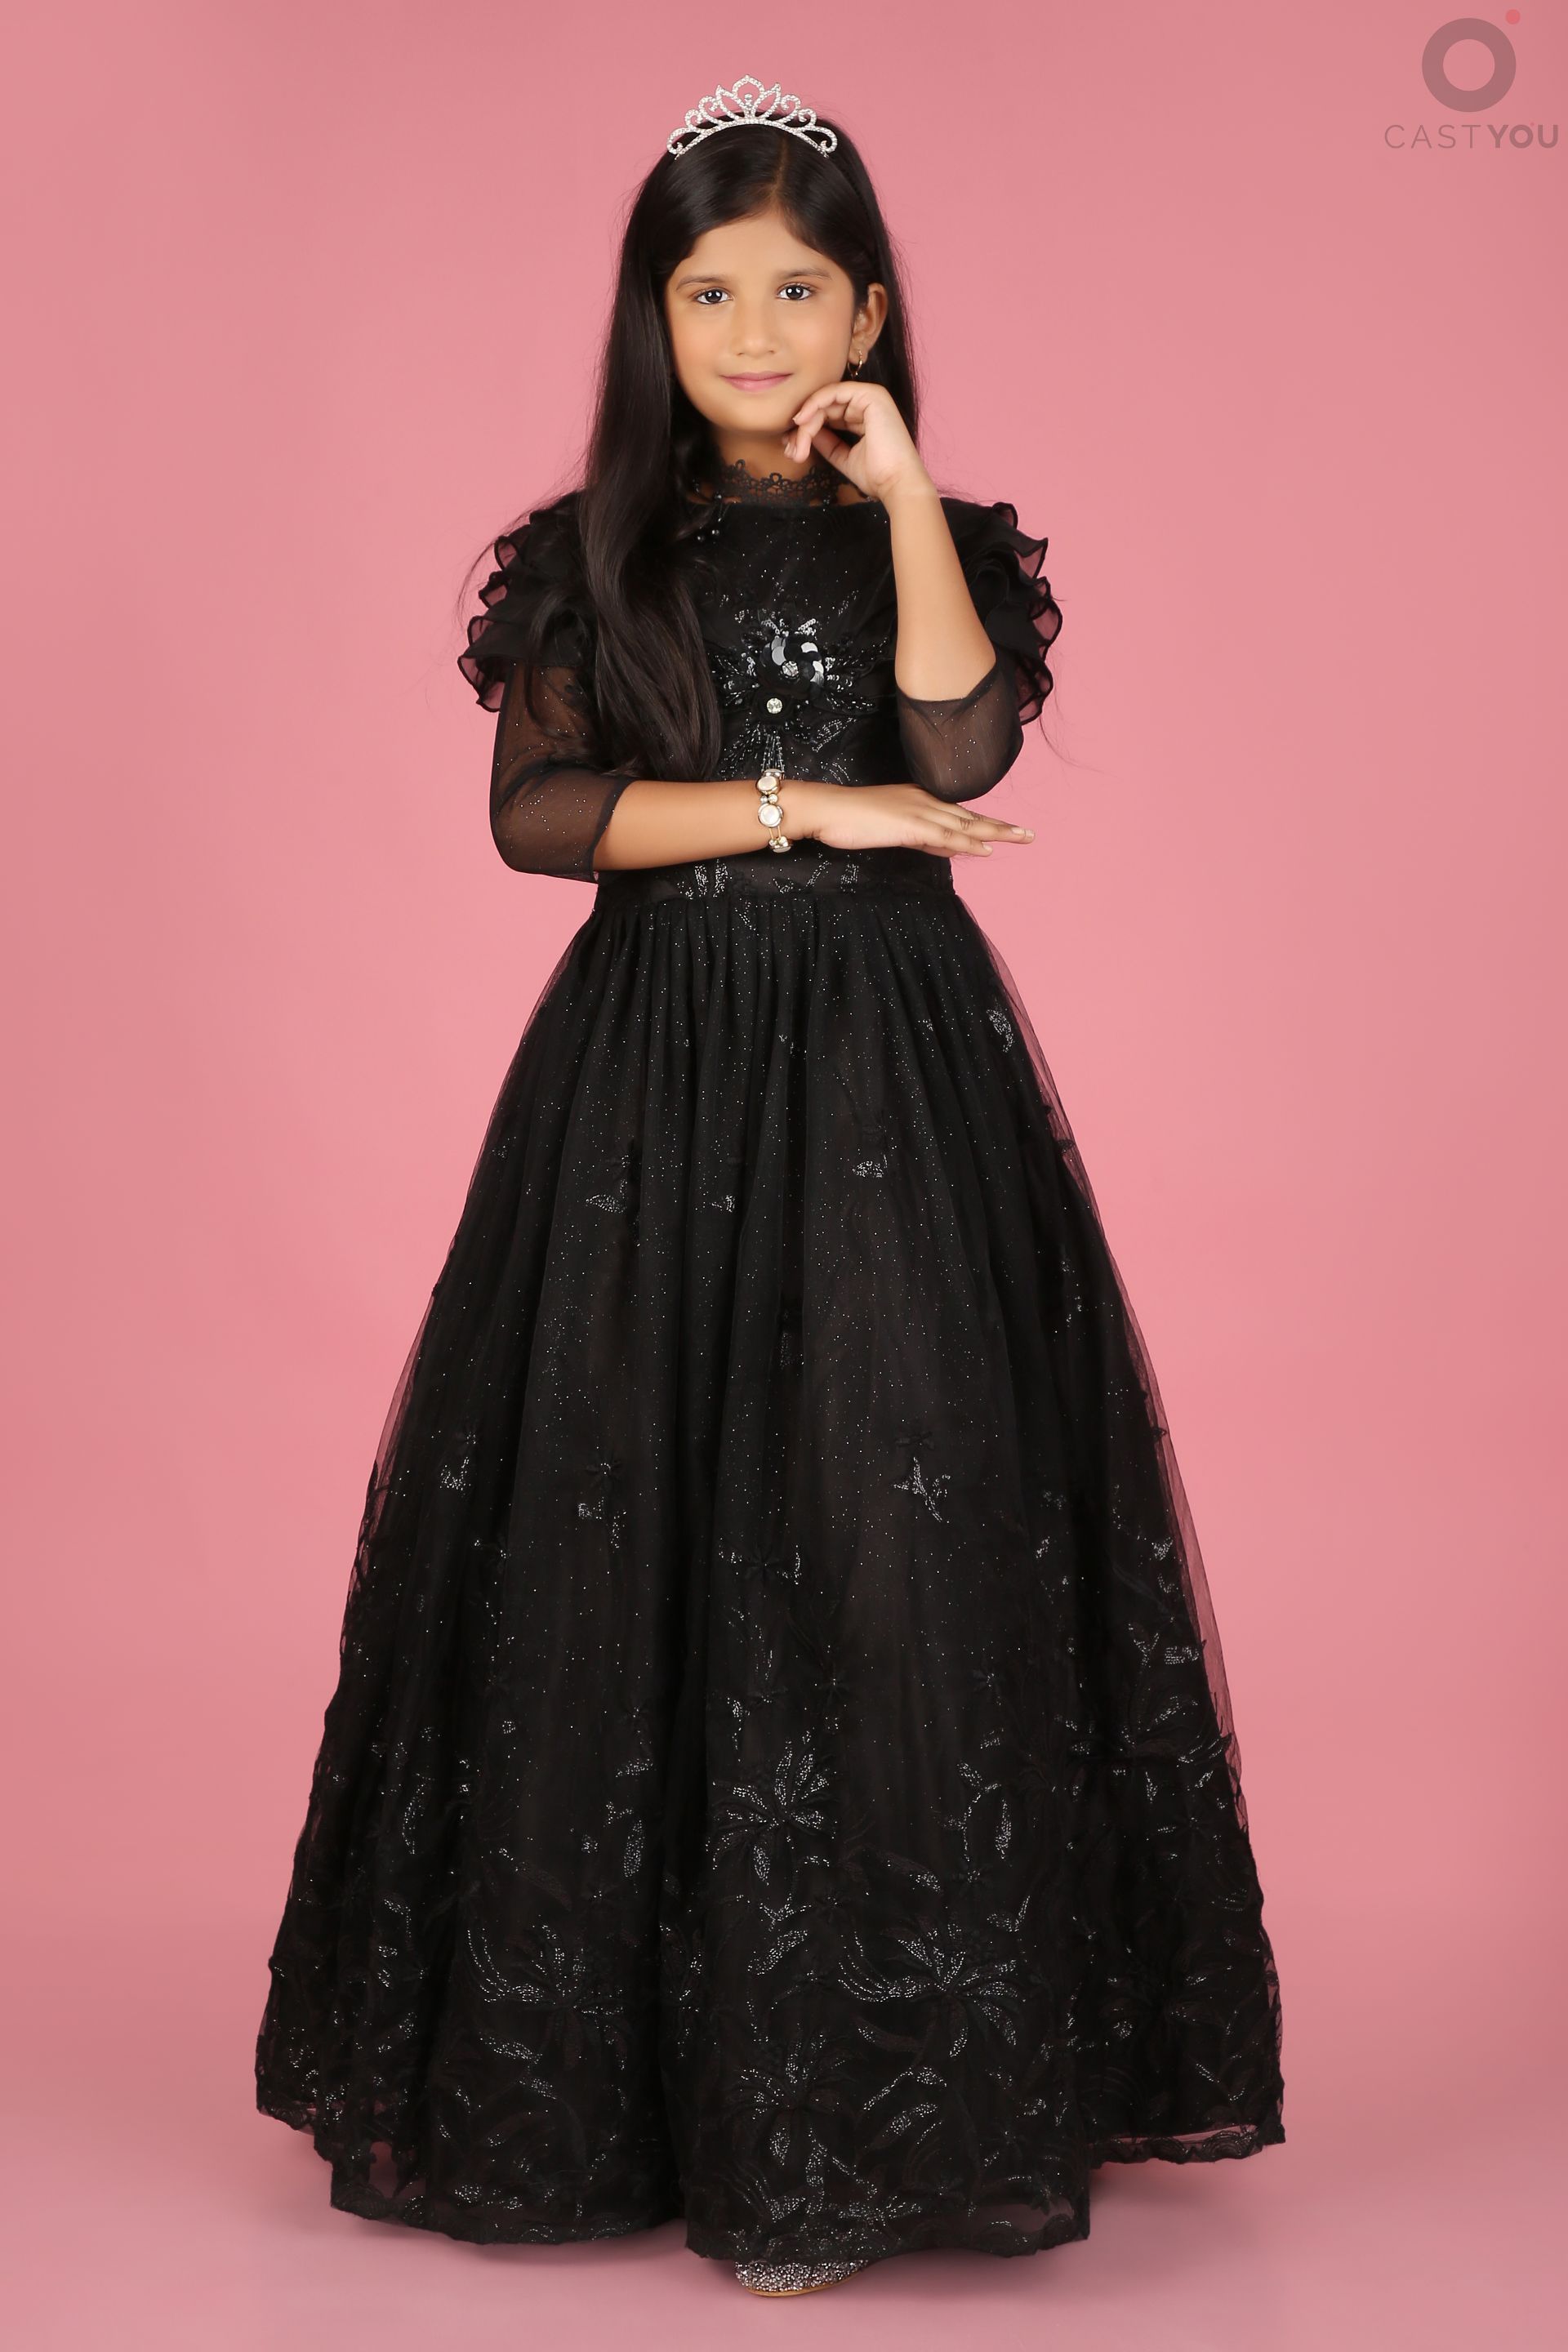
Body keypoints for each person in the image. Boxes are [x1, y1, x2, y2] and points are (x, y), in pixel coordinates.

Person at [255, 74, 1285, 2300]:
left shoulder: (942, 527)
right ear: (656, 314)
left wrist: (899, 492)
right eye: (709, 290)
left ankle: (863, 2103)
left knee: (897, 1531)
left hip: (895, 1070)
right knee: (619, 1532)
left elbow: (963, 742)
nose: (752, 329)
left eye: (798, 289)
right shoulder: (588, 551)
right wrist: (812, 815)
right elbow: (544, 822)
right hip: (654, 1074)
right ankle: (634, 2099)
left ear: (869, 311)